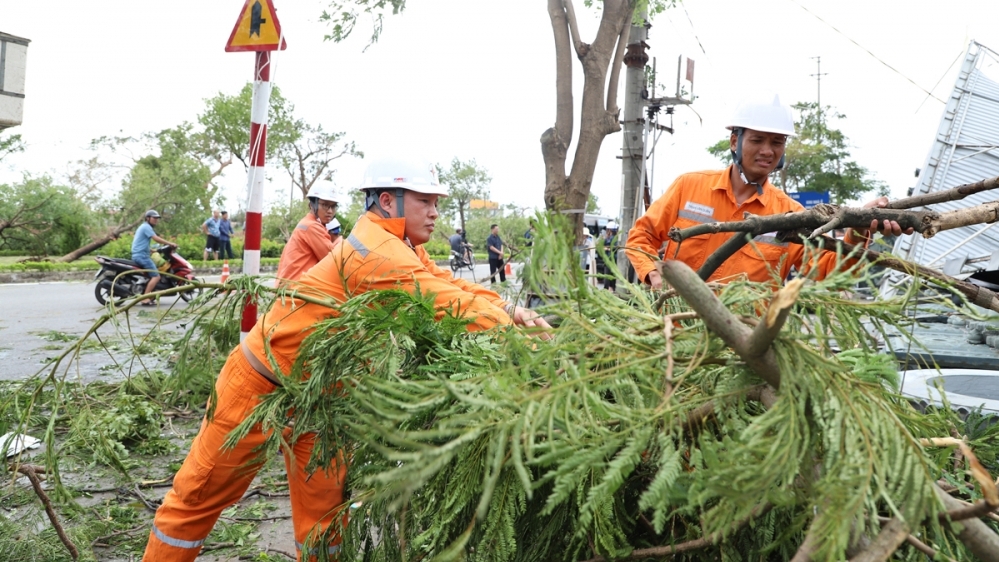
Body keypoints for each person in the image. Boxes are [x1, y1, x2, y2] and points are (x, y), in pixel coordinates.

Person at [141, 156, 550, 562]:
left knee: (325, 522)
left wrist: (511, 311)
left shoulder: (400, 245)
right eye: (426, 201)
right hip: (260, 383)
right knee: (197, 498)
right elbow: (449, 306)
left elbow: (447, 282)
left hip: (322, 399)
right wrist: (531, 348)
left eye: (436, 202)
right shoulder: (376, 251)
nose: (435, 212)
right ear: (389, 202)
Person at [626, 94, 908, 289]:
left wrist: (859, 227)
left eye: (777, 142)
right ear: (735, 141)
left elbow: (828, 269)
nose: (767, 151)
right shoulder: (689, 186)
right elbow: (641, 237)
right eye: (758, 140)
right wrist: (652, 272)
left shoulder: (792, 215)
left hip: (745, 351)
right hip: (677, 339)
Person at [276, 181, 339, 282]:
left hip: (290, 290)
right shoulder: (312, 227)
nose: (330, 211)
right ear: (311, 205)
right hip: (297, 293)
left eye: (333, 206)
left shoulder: (307, 224)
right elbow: (335, 262)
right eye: (325, 205)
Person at [131, 210, 176, 306]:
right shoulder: (146, 227)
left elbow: (141, 242)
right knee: (156, 276)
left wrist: (152, 250)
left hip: (140, 254)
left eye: (157, 218)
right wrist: (170, 243)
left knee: (152, 274)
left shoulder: (143, 227)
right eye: (154, 218)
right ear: (148, 218)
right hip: (142, 256)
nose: (156, 220)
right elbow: (155, 238)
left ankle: (149, 294)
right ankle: (145, 298)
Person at [596, 221, 619, 290]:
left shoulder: (612, 238)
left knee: (608, 276)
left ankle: (608, 289)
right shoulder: (610, 238)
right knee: (610, 276)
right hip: (610, 260)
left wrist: (605, 248)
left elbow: (611, 248)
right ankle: (610, 288)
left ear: (609, 230)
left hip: (610, 260)